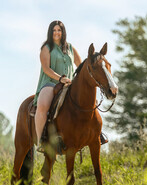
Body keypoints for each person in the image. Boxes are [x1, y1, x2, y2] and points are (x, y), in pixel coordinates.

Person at [33, 20, 108, 149]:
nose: (57, 33)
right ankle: (41, 141)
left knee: (91, 101)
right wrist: (60, 78)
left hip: (69, 84)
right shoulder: (46, 48)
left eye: (59, 30)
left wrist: (84, 80)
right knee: (43, 105)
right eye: (54, 30)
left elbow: (81, 66)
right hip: (50, 83)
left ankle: (97, 132)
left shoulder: (70, 48)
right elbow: (46, 69)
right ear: (50, 32)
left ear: (63, 32)